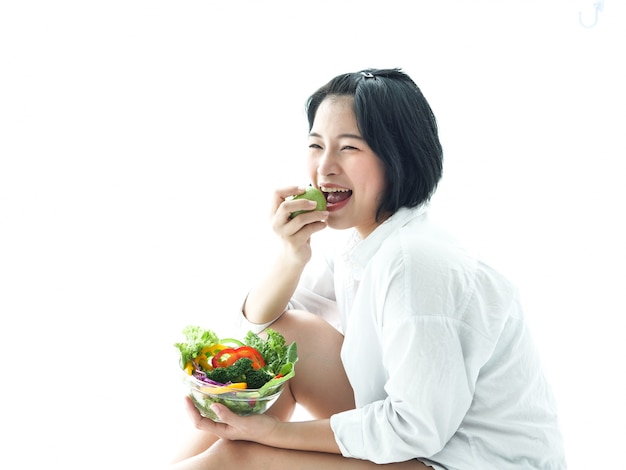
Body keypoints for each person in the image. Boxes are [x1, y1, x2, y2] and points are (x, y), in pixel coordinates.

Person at [168, 68, 566, 469]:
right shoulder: (363, 243)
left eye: (349, 148)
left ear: (399, 157)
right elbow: (262, 327)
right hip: (431, 441)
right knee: (284, 341)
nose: (324, 168)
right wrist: (292, 254)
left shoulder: (415, 262)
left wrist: (272, 436)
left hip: (470, 460)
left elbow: (416, 427)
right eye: (316, 145)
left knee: (241, 460)